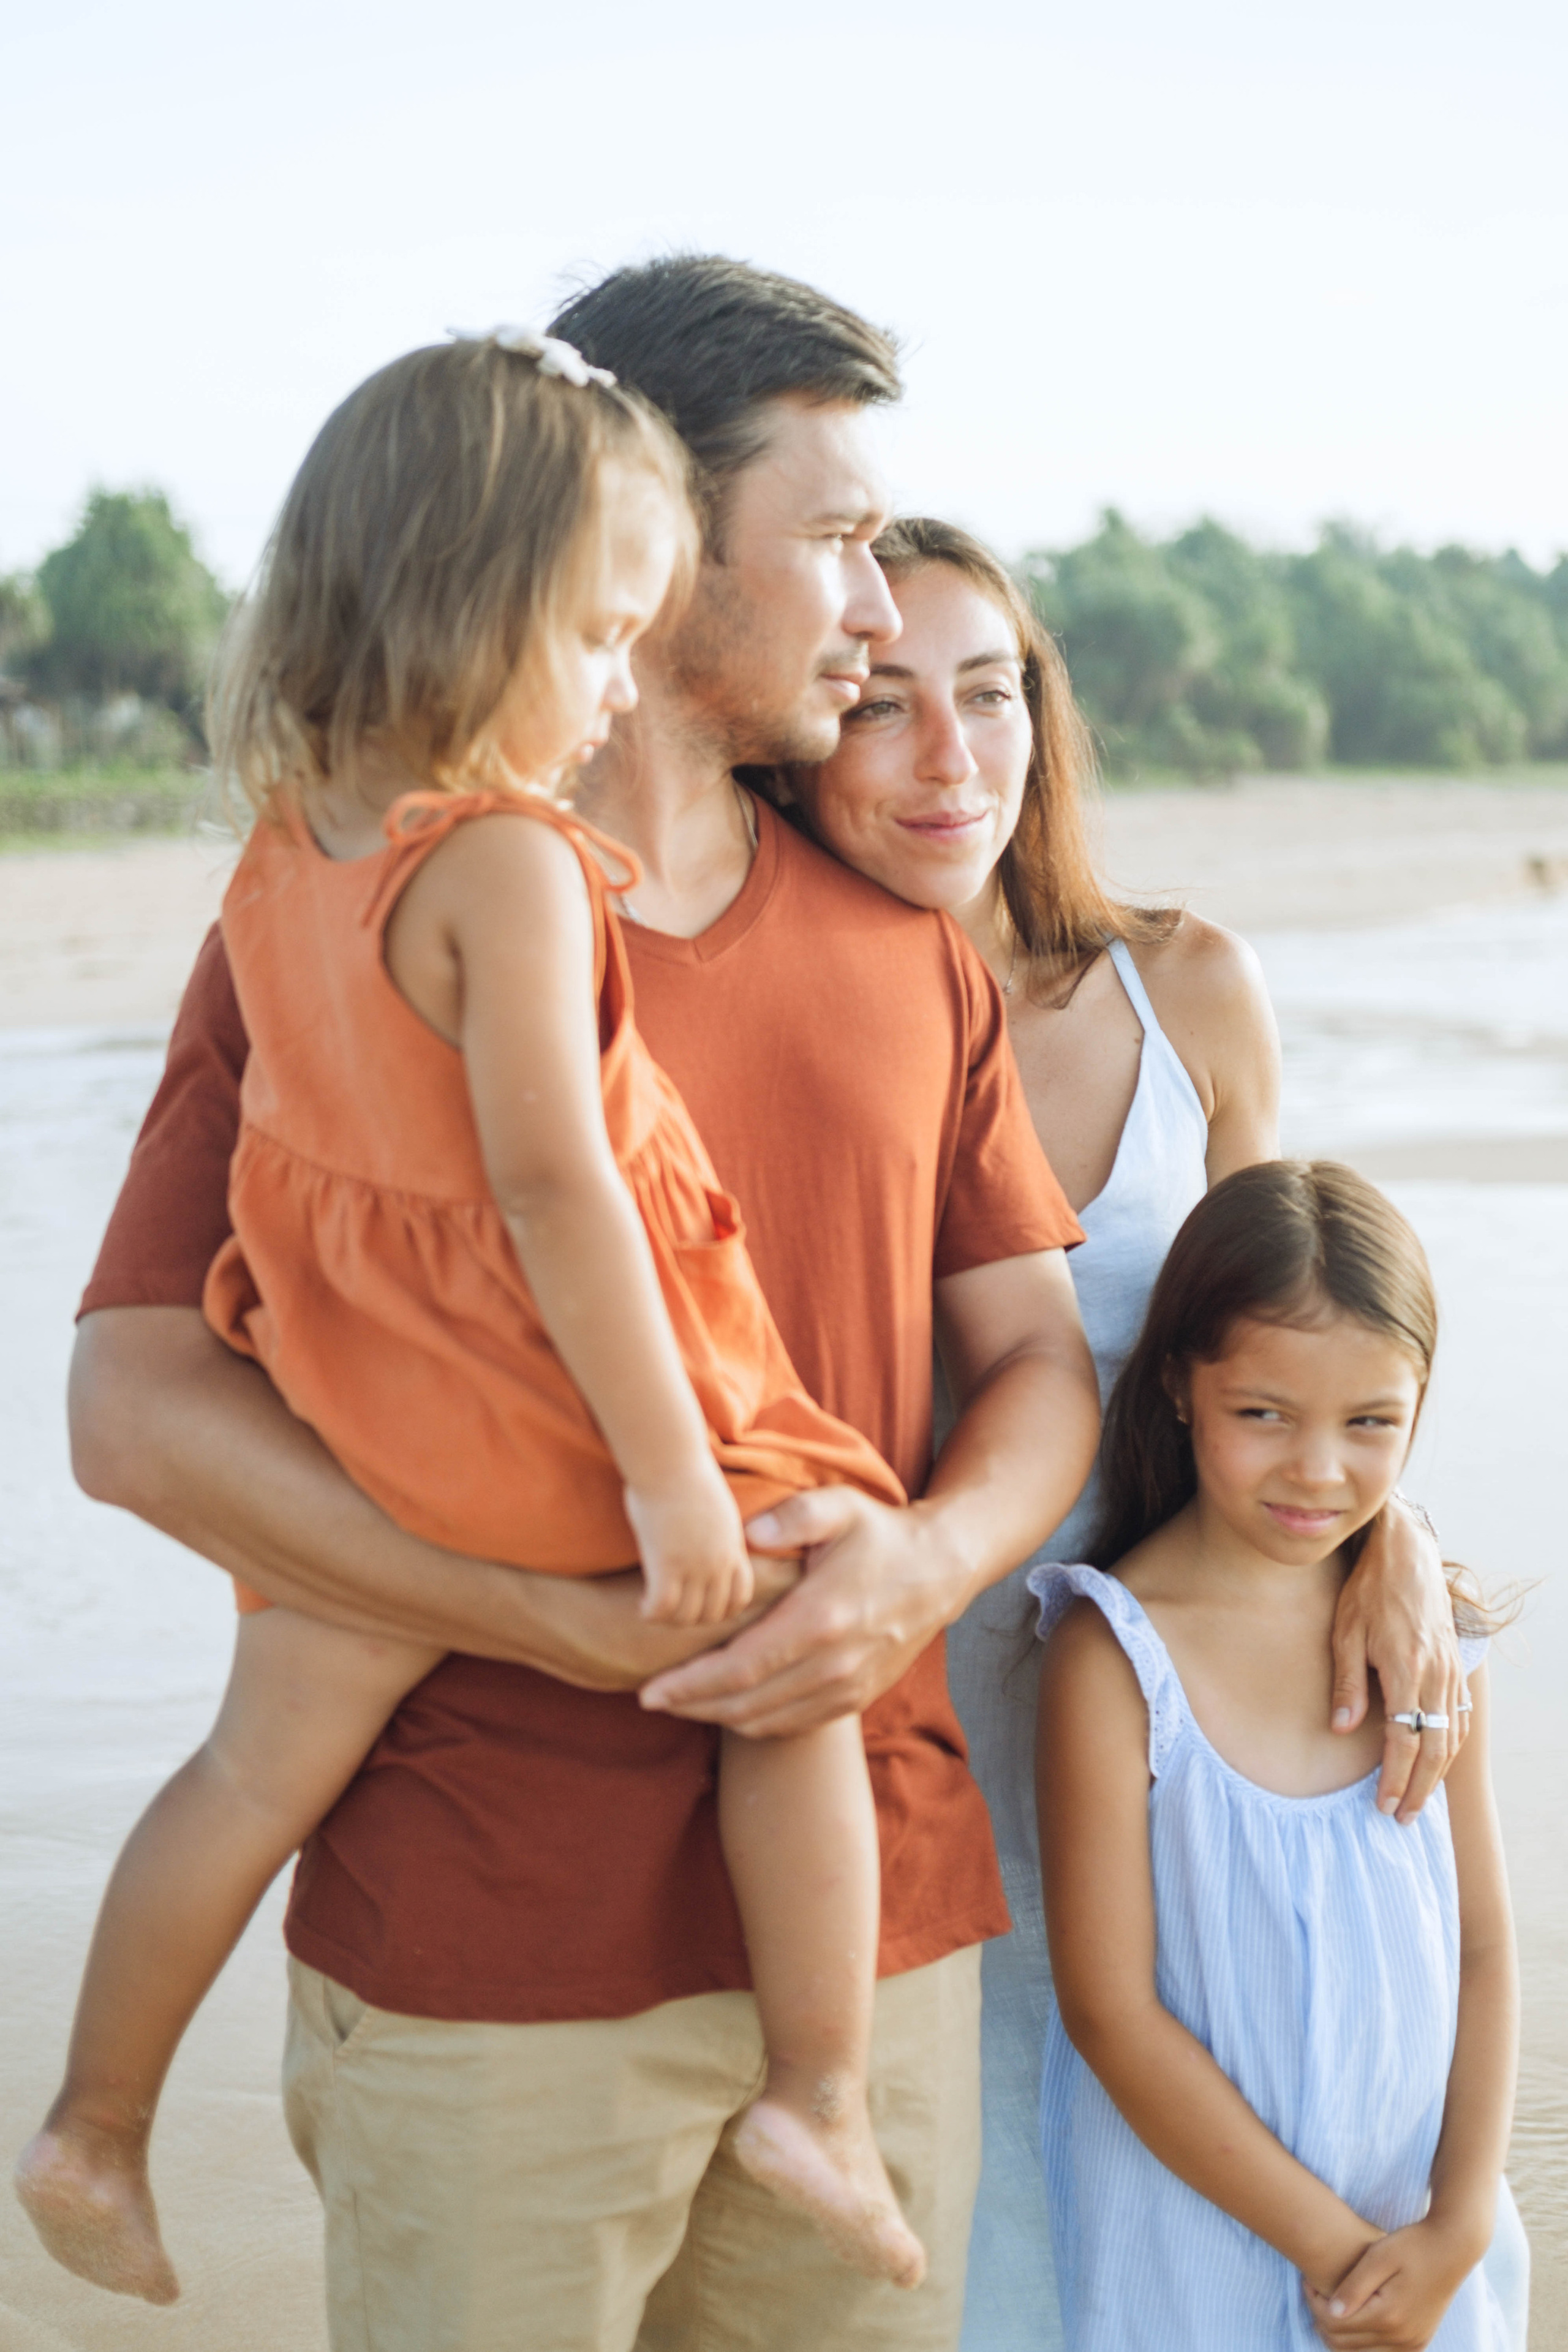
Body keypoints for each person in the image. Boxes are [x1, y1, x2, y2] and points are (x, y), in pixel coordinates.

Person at [50, 258, 1101, 2352]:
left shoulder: (911, 944)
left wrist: (921, 1564)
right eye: (829, 545)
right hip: (476, 1961)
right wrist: (537, 1608)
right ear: (635, 542)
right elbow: (133, 1412)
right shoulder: (349, 918)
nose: (880, 612)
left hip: (872, 1954)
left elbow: (1042, 1376)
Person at [777, 516, 1481, 2348]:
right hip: (940, 1726)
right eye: (882, 702)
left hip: (1220, 1710)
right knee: (1010, 2240)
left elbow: (1296, 1327)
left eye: (994, 692)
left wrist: (1390, 1535)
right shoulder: (781, 1025)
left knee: (1316, 2154)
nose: (955, 754)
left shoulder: (1186, 987)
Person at [1030, 1159, 1517, 2350]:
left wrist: (1454, 2223)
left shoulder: (1424, 1642)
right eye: (1263, 1414)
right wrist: (1338, 2257)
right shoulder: (1114, 1658)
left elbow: (1481, 1945)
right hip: (1200, 2246)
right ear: (1178, 1388)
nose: (1316, 1469)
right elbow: (1110, 2013)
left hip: (1424, 2244)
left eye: (1368, 1425)